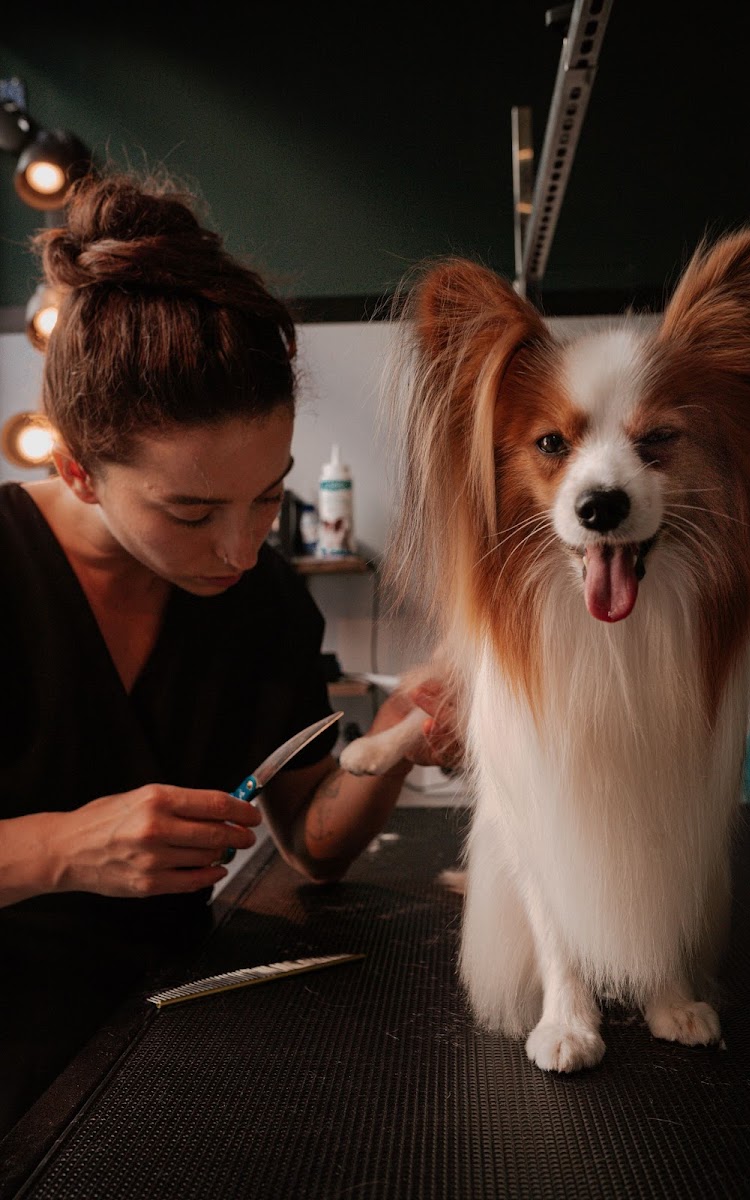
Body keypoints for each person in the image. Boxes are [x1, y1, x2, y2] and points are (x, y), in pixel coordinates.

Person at [0, 167, 460, 1137]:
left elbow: (313, 845)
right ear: (77, 468)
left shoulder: (258, 603)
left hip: (156, 1043)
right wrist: (57, 849)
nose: (242, 548)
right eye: (191, 511)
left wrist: (393, 735)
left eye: (267, 495)